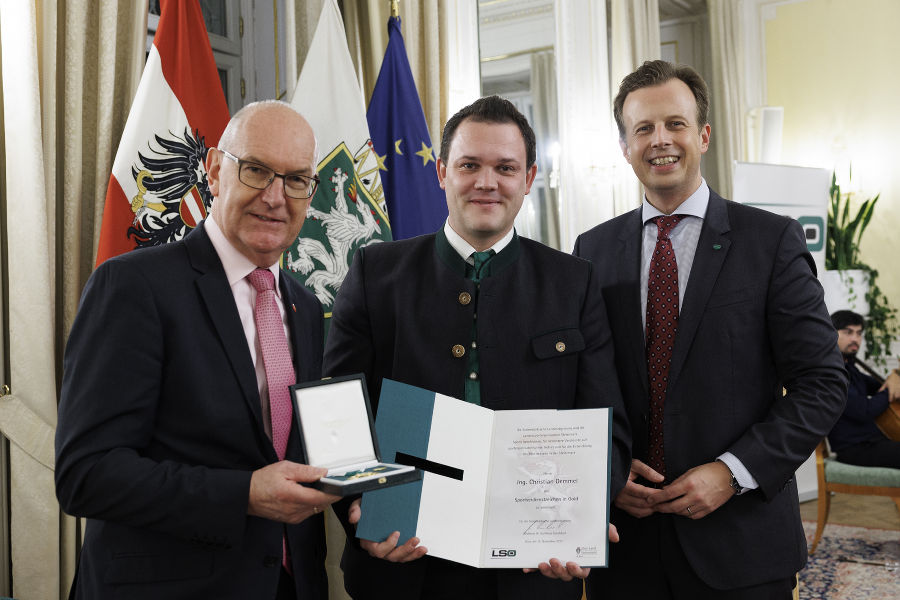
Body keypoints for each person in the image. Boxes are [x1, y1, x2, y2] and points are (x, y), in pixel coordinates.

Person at [323, 95, 631, 600]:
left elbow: (606, 422)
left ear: (528, 179)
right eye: (470, 165)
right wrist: (358, 505)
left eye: (505, 168)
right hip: (402, 565)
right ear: (442, 171)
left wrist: (584, 516)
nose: (487, 182)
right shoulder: (375, 273)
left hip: (532, 572)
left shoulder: (572, 282)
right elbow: (340, 412)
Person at [572, 60, 847, 599]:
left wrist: (732, 472)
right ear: (624, 146)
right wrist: (605, 471)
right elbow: (585, 382)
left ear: (703, 134)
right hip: (626, 548)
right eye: (643, 129)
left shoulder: (770, 242)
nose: (660, 141)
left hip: (740, 545)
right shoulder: (592, 251)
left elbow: (822, 383)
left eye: (675, 123)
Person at [55, 101, 339, 600]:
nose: (276, 197)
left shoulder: (306, 306)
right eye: (256, 171)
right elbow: (87, 474)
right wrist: (244, 496)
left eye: (296, 180)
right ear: (213, 170)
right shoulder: (133, 287)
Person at [828, 310, 900, 467]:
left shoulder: (851, 367)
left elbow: (878, 386)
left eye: (859, 333)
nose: (855, 339)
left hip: (873, 441)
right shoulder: (831, 373)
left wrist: (894, 377)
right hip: (853, 448)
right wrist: (892, 385)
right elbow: (865, 411)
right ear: (831, 334)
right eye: (848, 332)